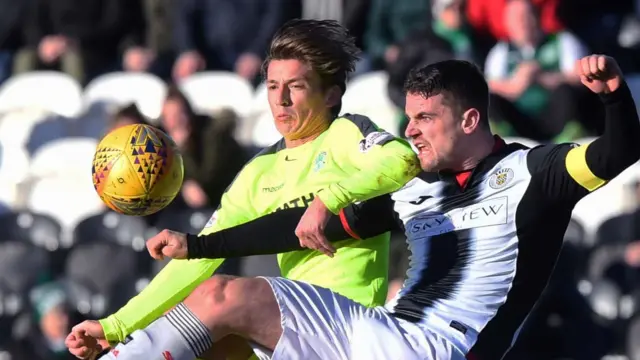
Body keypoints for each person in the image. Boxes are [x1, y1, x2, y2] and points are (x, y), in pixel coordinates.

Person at [71, 54, 639, 360]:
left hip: (441, 351)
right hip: (383, 337)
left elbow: (620, 152)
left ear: (470, 120)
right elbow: (295, 231)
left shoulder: (534, 175)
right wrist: (197, 246)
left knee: (229, 301)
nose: (410, 132)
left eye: (425, 120)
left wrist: (613, 96)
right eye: (409, 117)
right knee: (222, 326)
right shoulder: (413, 189)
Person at [66, 19, 420, 359]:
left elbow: (402, 160)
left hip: (350, 325)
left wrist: (330, 198)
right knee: (202, 343)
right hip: (298, 329)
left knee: (219, 293)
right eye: (271, 86)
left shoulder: (345, 134)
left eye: (295, 86)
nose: (280, 100)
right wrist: (115, 325)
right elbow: (198, 259)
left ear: (330, 95)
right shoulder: (258, 172)